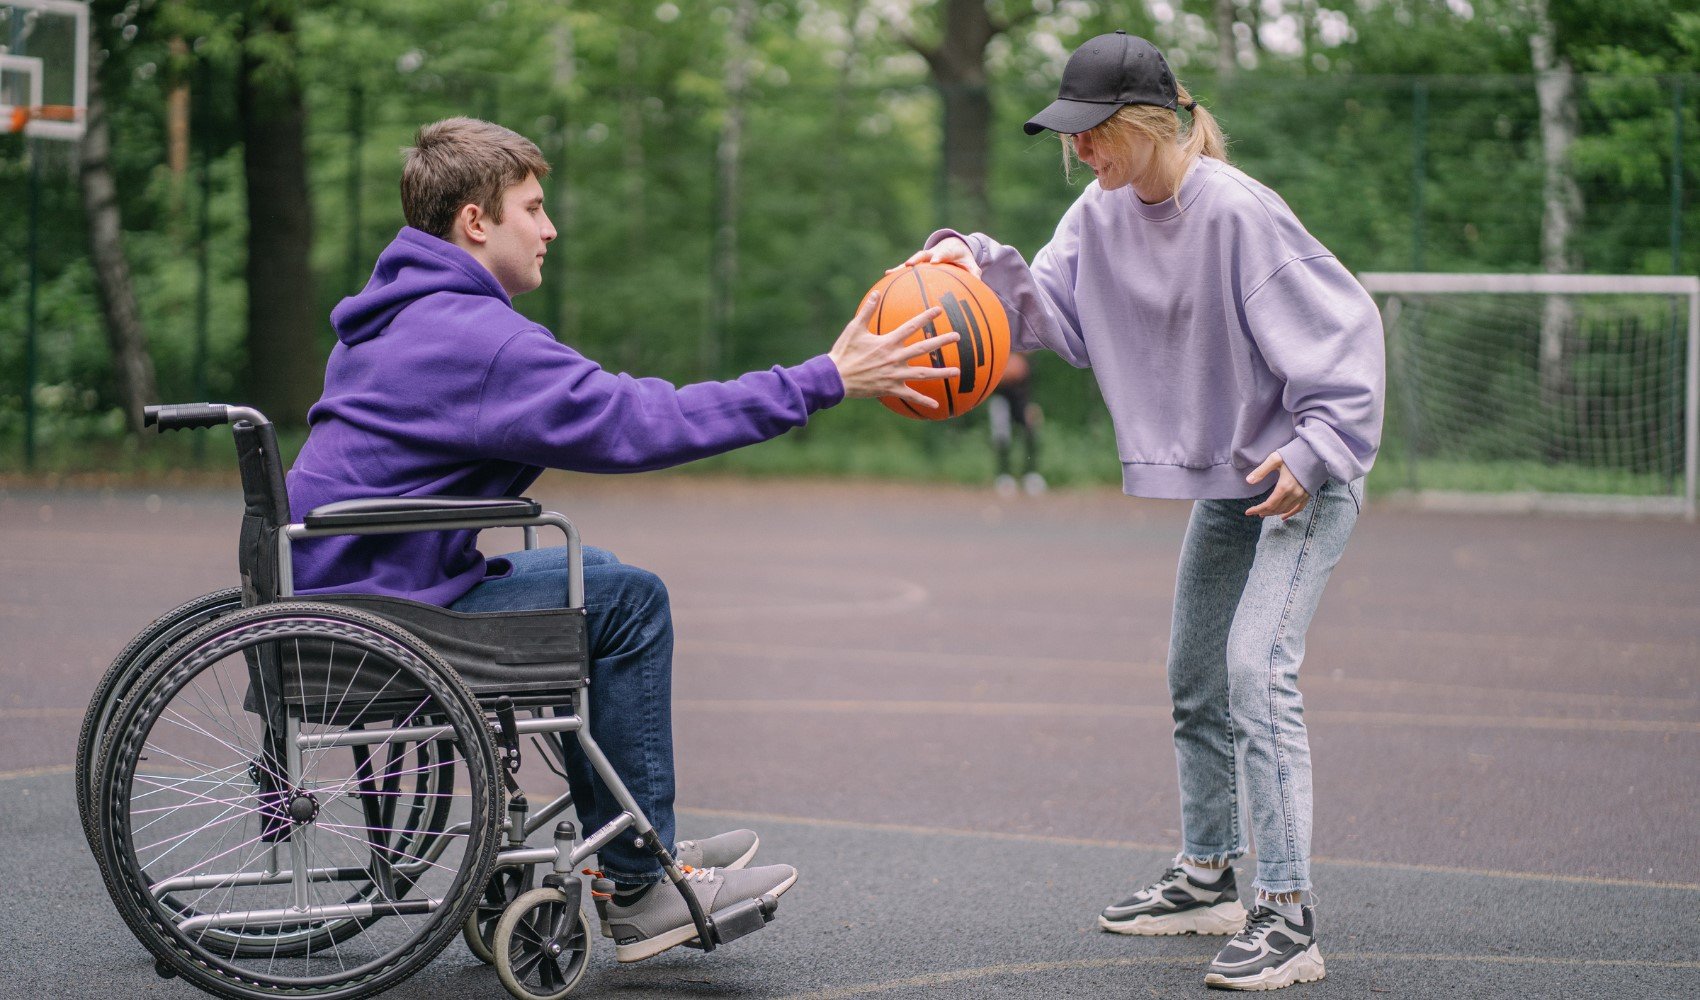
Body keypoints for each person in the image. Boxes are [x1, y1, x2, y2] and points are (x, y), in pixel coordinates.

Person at [286, 117, 957, 963]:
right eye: (533, 207)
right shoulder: (472, 338)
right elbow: (640, 422)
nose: (551, 227)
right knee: (628, 601)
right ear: (475, 221)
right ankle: (640, 891)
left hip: (348, 587)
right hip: (386, 614)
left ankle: (629, 835)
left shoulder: (400, 315)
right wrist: (821, 380)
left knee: (592, 570)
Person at [907, 32, 1383, 992]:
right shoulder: (1101, 211)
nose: (1080, 152)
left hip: (1304, 474)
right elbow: (1050, 318)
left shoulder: (1240, 214)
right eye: (1070, 138)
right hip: (1232, 483)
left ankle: (1288, 917)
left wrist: (1317, 446)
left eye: (1092, 134)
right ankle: (1208, 875)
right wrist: (973, 264)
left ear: (1148, 122)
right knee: (1194, 678)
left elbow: (1350, 334)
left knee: (1254, 672)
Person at [987, 351, 1044, 496]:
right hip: (1001, 398)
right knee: (1001, 436)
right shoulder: (999, 349)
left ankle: (1030, 474)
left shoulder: (1028, 358)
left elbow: (1024, 375)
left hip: (1022, 398)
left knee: (1031, 430)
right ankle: (1004, 475)